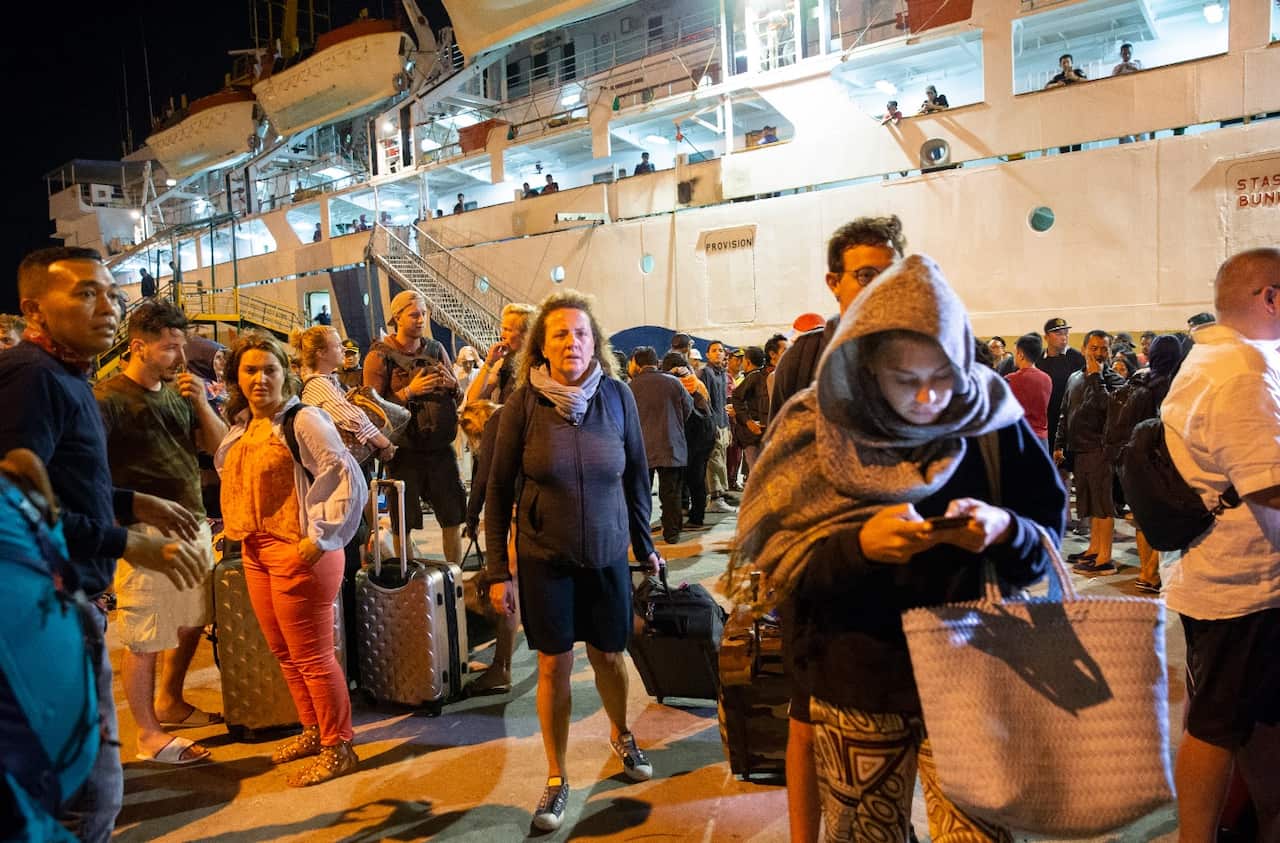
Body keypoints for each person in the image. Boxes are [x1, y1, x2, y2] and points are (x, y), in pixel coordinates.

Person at [726, 254, 1064, 843]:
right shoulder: (817, 422)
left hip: (972, 674)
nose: (930, 398)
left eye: (944, 375)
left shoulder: (991, 418)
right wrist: (858, 547)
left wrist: (1005, 530)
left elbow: (1046, 532)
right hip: (856, 681)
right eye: (906, 380)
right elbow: (776, 566)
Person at [0, 247, 208, 842]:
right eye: (86, 293)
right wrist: (129, 543)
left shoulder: (65, 376)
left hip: (71, 603)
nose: (108, 306)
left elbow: (67, 479)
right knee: (89, 796)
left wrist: (132, 503)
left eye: (113, 293)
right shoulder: (30, 378)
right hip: (47, 611)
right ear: (34, 309)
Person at [484, 289, 664, 831]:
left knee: (611, 656)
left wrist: (645, 543)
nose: (572, 342)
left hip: (607, 552)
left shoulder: (618, 397)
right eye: (560, 333)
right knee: (553, 664)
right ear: (541, 344)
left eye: (581, 333)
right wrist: (498, 569)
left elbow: (636, 477)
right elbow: (497, 490)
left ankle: (621, 734)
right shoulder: (522, 405)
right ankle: (558, 776)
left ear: (595, 342)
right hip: (546, 557)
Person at [1160, 248, 1280, 842]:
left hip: (1225, 577)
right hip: (1243, 586)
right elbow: (1270, 484)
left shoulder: (1209, 358)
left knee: (1253, 718)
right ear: (1271, 297)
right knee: (1215, 725)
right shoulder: (1241, 373)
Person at [215, 332, 367, 786]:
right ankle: (313, 730)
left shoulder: (303, 420)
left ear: (286, 373)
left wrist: (319, 537)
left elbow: (344, 475)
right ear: (236, 377)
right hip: (256, 549)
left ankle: (339, 745)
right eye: (250, 370)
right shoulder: (243, 424)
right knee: (285, 654)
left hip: (298, 550)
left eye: (270, 369)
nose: (260, 379)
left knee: (314, 656)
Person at [95, 299, 228, 767]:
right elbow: (89, 469)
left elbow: (219, 448)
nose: (178, 357)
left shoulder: (178, 393)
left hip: (191, 520)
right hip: (143, 530)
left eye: (180, 347)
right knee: (145, 632)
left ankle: (170, 701)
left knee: (194, 615)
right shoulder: (107, 398)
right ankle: (147, 733)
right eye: (170, 348)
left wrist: (200, 401)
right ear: (138, 347)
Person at [364, 291, 466, 567]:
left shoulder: (435, 350)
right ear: (397, 317)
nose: (421, 319)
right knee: (402, 522)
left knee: (452, 518)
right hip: (403, 453)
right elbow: (371, 410)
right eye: (414, 314)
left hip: (440, 451)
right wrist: (410, 391)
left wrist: (453, 387)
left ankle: (451, 577)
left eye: (424, 313)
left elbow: (458, 397)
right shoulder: (379, 357)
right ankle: (408, 577)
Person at [771, 215, 906, 422]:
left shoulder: (924, 353)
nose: (882, 288)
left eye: (893, 275)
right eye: (866, 275)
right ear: (834, 283)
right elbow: (779, 446)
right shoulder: (802, 358)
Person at [1101, 334, 1183, 593]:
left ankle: (1146, 574)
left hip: (1132, 457)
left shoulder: (1138, 380)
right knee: (1161, 515)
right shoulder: (1173, 384)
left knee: (1141, 514)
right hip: (1160, 458)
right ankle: (1153, 572)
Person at [1054, 330, 1126, 574]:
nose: (1098, 353)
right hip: (1079, 451)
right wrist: (1059, 444)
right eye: (1093, 348)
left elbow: (1107, 408)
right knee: (1091, 505)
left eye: (1103, 348)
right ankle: (1094, 549)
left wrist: (1097, 378)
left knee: (1103, 505)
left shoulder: (1115, 381)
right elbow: (1065, 412)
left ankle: (1105, 557)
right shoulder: (1075, 377)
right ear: (1084, 349)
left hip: (1101, 451)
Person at [629, 346, 693, 544]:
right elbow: (688, 408)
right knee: (671, 494)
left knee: (640, 494)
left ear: (637, 364)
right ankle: (671, 533)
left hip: (642, 449)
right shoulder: (674, 382)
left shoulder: (630, 387)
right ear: (656, 362)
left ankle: (640, 535)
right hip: (671, 446)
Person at [1037, 317, 1085, 470]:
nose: (1063, 337)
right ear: (1046, 337)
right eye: (1058, 333)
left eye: (1065, 333)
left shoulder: (1077, 359)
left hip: (1069, 422)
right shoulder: (1039, 360)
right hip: (1046, 422)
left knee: (1066, 466)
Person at [467, 302, 537, 405]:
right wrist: (489, 363)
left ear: (527, 334)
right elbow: (473, 399)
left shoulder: (540, 366)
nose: (502, 335)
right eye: (503, 329)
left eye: (508, 330)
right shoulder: (503, 362)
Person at [702, 340, 738, 513]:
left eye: (721, 350)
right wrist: (712, 425)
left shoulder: (723, 374)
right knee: (714, 462)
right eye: (714, 350)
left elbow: (723, 402)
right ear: (707, 354)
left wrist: (728, 428)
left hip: (724, 424)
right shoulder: (706, 373)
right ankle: (716, 498)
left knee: (721, 461)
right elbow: (705, 401)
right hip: (713, 424)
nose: (718, 353)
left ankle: (720, 494)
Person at [1005, 333, 1053, 448]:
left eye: (1015, 353)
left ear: (1021, 355)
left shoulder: (1010, 379)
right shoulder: (1047, 378)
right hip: (1042, 440)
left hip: (1019, 438)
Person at [730, 347, 769, 474]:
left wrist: (748, 422)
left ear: (747, 362)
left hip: (753, 436)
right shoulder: (763, 376)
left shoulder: (754, 376)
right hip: (759, 434)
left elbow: (736, 397)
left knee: (757, 473)